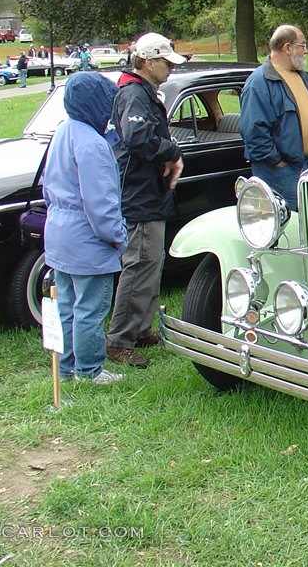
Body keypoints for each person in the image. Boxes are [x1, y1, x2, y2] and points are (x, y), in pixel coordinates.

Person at [106, 32, 186, 369]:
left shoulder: (143, 92)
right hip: (138, 193)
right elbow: (138, 138)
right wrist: (172, 152)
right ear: (148, 62)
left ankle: (140, 329)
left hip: (150, 191)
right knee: (138, 264)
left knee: (151, 262)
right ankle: (119, 339)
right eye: (166, 62)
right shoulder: (134, 94)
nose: (170, 68)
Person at [42, 72, 128, 385]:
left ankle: (64, 370)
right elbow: (101, 203)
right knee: (90, 308)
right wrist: (118, 236)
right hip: (88, 239)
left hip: (59, 234)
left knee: (66, 305)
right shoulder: (93, 145)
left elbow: (47, 187)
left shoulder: (63, 131)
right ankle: (90, 371)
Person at [239, 24, 308, 210]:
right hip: (282, 170)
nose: (306, 51)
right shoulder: (259, 83)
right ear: (287, 47)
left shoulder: (301, 76)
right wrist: (278, 163)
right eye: (302, 46)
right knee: (292, 223)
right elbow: (254, 131)